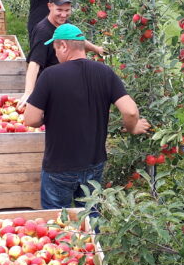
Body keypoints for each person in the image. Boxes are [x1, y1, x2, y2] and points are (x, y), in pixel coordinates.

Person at [24, 24, 151, 210]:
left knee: (58, 222)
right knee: (91, 216)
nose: (56, 54)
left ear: (64, 46)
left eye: (56, 49)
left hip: (59, 166)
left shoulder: (50, 76)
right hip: (94, 164)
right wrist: (133, 127)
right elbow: (130, 111)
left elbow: (31, 119)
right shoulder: (105, 72)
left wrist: (51, 115)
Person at [21, 0, 105, 109]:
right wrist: (28, 93)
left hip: (65, 78)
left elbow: (77, 39)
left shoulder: (64, 23)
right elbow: (35, 62)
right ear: (50, 6)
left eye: (67, 10)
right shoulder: (43, 32)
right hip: (49, 85)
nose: (64, 15)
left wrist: (96, 49)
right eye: (59, 10)